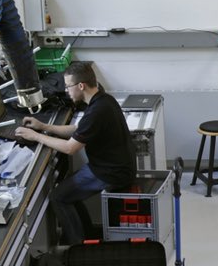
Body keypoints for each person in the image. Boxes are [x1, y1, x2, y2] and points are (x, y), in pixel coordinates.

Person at [15, 61, 136, 245]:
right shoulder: (103, 100)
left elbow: (70, 148)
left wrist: (36, 137)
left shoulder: (97, 111)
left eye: (68, 86)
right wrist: (43, 127)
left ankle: (78, 247)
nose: (66, 91)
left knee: (59, 196)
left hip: (110, 172)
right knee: (69, 192)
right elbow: (78, 129)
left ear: (81, 86)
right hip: (114, 166)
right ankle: (87, 236)